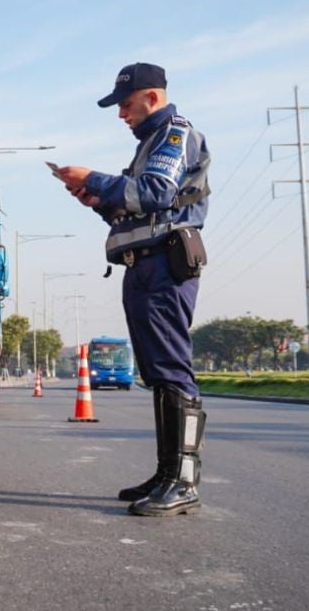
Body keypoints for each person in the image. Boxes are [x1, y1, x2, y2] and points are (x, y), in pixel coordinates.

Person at [54, 62, 211, 517]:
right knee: (156, 373)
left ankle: (183, 481)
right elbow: (139, 212)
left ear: (153, 98)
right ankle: (166, 474)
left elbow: (158, 193)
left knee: (172, 372)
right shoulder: (150, 145)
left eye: (126, 104)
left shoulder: (174, 135)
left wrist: (95, 179)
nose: (122, 114)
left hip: (165, 265)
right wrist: (99, 201)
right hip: (144, 264)